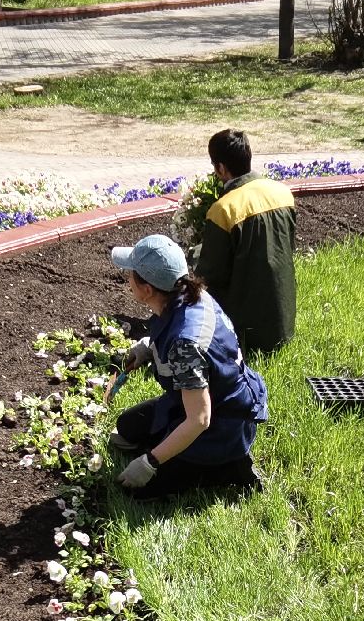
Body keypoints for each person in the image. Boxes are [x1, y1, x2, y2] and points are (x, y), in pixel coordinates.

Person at [109, 233, 269, 500]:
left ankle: (229, 467)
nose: (128, 278)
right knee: (127, 429)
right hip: (199, 400)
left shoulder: (186, 344)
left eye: (131, 274)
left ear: (147, 289)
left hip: (221, 422)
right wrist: (147, 348)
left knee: (136, 492)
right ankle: (182, 448)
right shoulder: (189, 292)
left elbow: (199, 419)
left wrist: (150, 463)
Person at [194, 129, 296, 355]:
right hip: (284, 325)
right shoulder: (283, 193)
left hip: (246, 335)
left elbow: (209, 276)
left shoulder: (224, 210)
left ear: (220, 168)